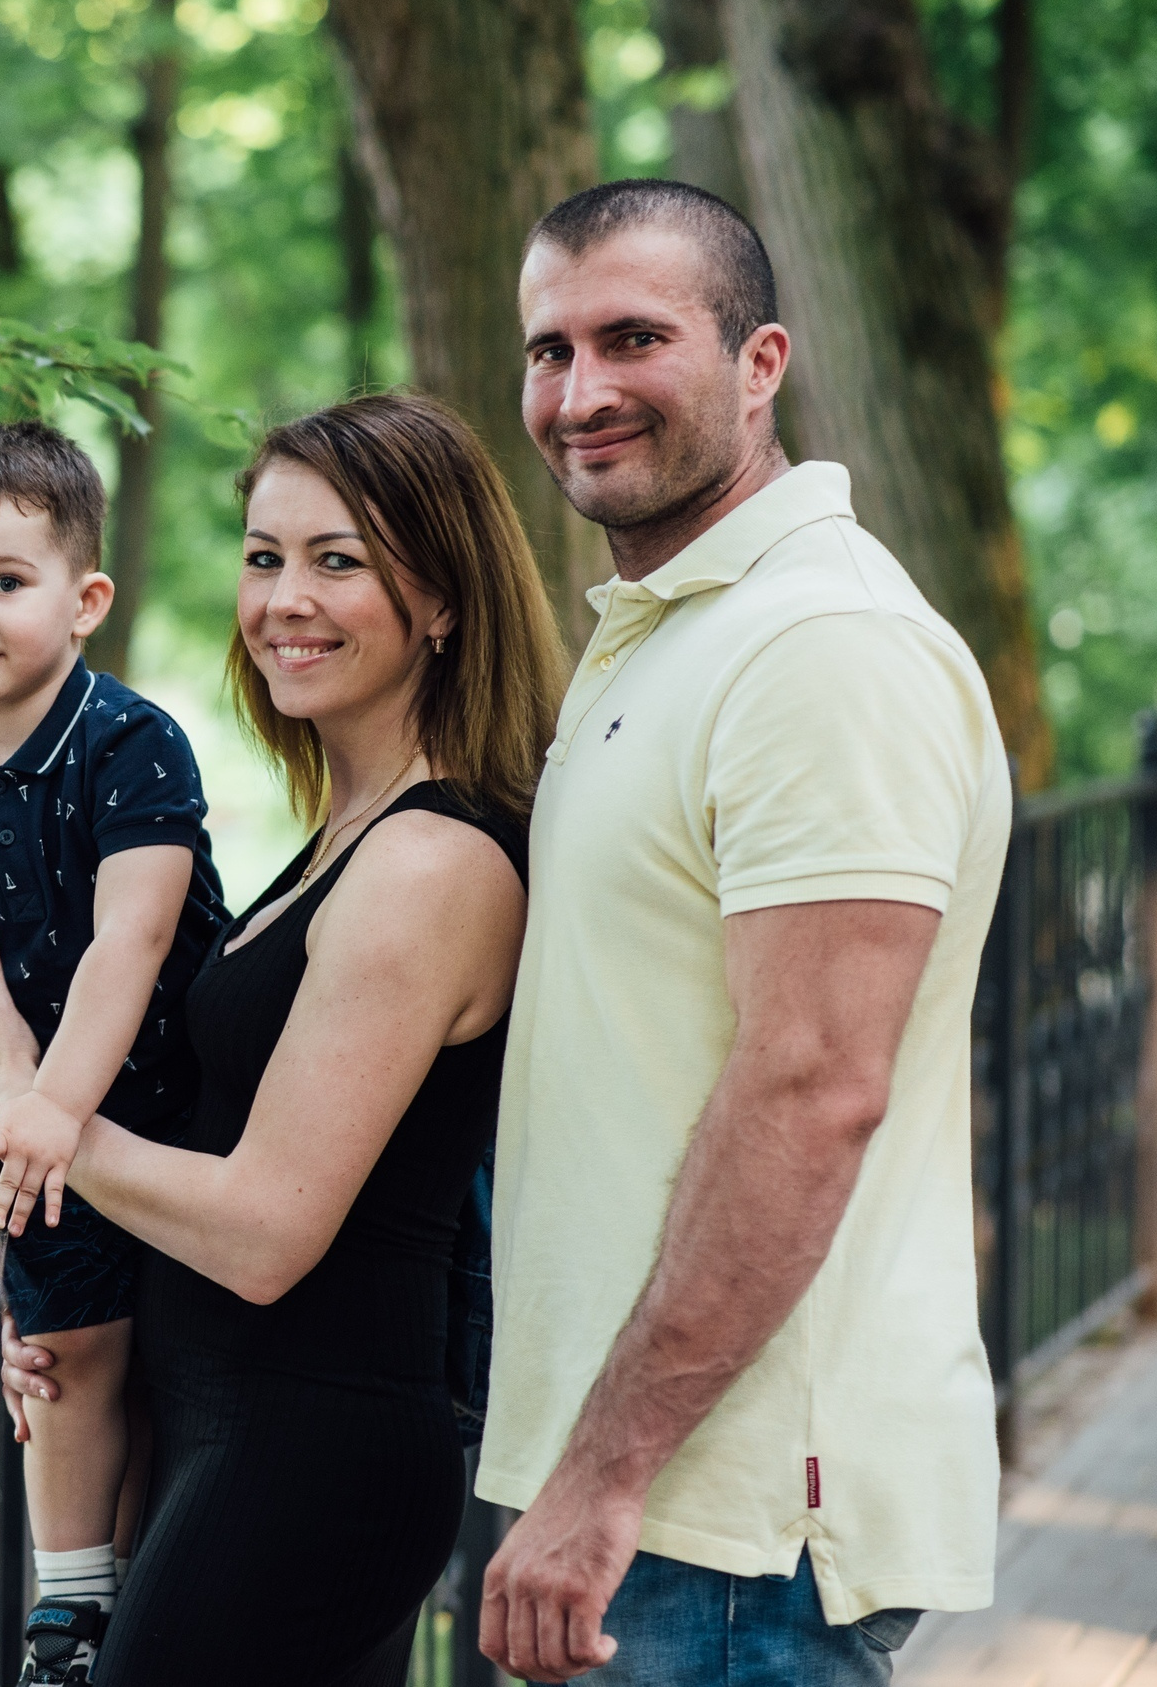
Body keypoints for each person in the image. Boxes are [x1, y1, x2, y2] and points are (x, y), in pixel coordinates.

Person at [0, 393, 566, 1686]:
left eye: (341, 561)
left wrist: (31, 1105)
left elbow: (268, 1232)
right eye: (266, 557)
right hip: (228, 1434)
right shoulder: (341, 834)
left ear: (443, 600)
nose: (285, 599)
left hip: (311, 1460)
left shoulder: (429, 863)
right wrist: (66, 1292)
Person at [473, 179, 1009, 1685]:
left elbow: (813, 1084)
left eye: (632, 338)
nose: (579, 394)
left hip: (724, 1529)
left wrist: (604, 1475)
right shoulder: (671, 626)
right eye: (548, 349)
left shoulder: (821, 648)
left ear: (760, 362)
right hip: (646, 1499)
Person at [0, 421, 231, 1686]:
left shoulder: (130, 743)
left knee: (174, 1366)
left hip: (177, 1110)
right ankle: (70, 1604)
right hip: (31, 1135)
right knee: (64, 1344)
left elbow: (128, 946)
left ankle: (154, 1584)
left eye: (3, 581)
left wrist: (50, 1108)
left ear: (83, 599)